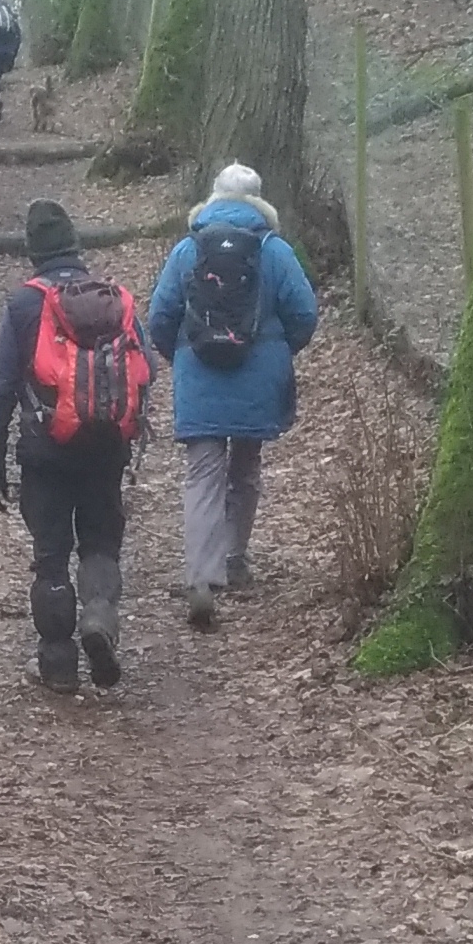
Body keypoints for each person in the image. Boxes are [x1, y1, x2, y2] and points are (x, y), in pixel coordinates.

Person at [0, 199, 152, 693]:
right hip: (105, 448)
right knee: (99, 541)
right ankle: (98, 618)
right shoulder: (111, 299)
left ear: (33, 251)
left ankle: (58, 665)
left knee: (51, 555)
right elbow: (148, 371)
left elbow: (0, 389)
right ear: (75, 244)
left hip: (45, 453)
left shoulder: (24, 305)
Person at [145, 162, 319, 630]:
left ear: (213, 197)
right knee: (245, 467)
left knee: (203, 474)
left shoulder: (188, 249)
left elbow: (160, 316)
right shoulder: (274, 250)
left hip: (198, 372)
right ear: (259, 202)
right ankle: (235, 559)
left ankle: (202, 576)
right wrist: (278, 352)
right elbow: (304, 312)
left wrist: (181, 354)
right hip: (259, 372)